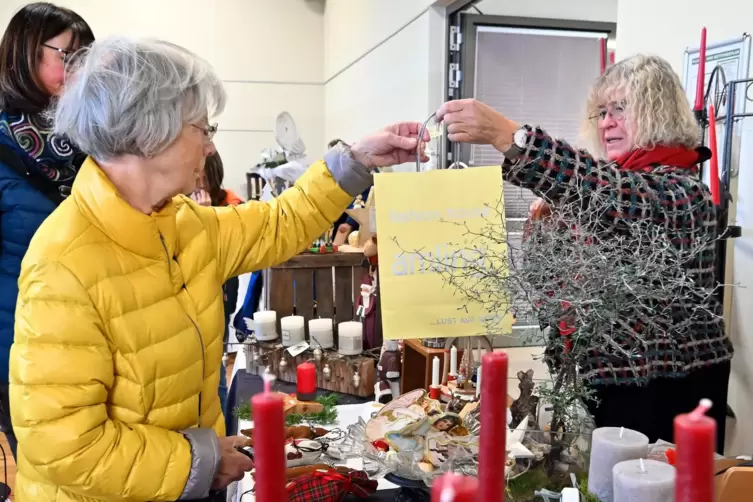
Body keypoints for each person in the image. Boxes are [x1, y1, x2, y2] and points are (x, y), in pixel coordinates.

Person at [10, 35, 428, 501]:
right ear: (151, 132)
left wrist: (356, 161)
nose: (210, 149)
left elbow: (279, 223)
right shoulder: (64, 263)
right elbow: (67, 449)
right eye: (203, 129)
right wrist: (200, 460)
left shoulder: (179, 224)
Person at [437, 54, 734, 452]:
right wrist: (546, 231)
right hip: (608, 380)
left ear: (657, 112)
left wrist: (509, 136)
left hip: (668, 385)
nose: (607, 121)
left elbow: (616, 195)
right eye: (602, 112)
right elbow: (556, 285)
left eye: (620, 109)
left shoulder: (683, 191)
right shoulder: (612, 186)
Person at [0, 2, 94, 460]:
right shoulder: (2, 145)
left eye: (86, 58)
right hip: (20, 351)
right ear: (24, 54)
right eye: (67, 56)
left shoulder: (92, 142)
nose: (79, 70)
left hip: (90, 340)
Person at [189, 151, 243, 420]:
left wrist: (206, 216)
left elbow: (226, 255)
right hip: (185, 304)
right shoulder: (171, 204)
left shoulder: (229, 205)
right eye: (195, 176)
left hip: (218, 295)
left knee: (215, 374)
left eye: (204, 179)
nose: (198, 185)